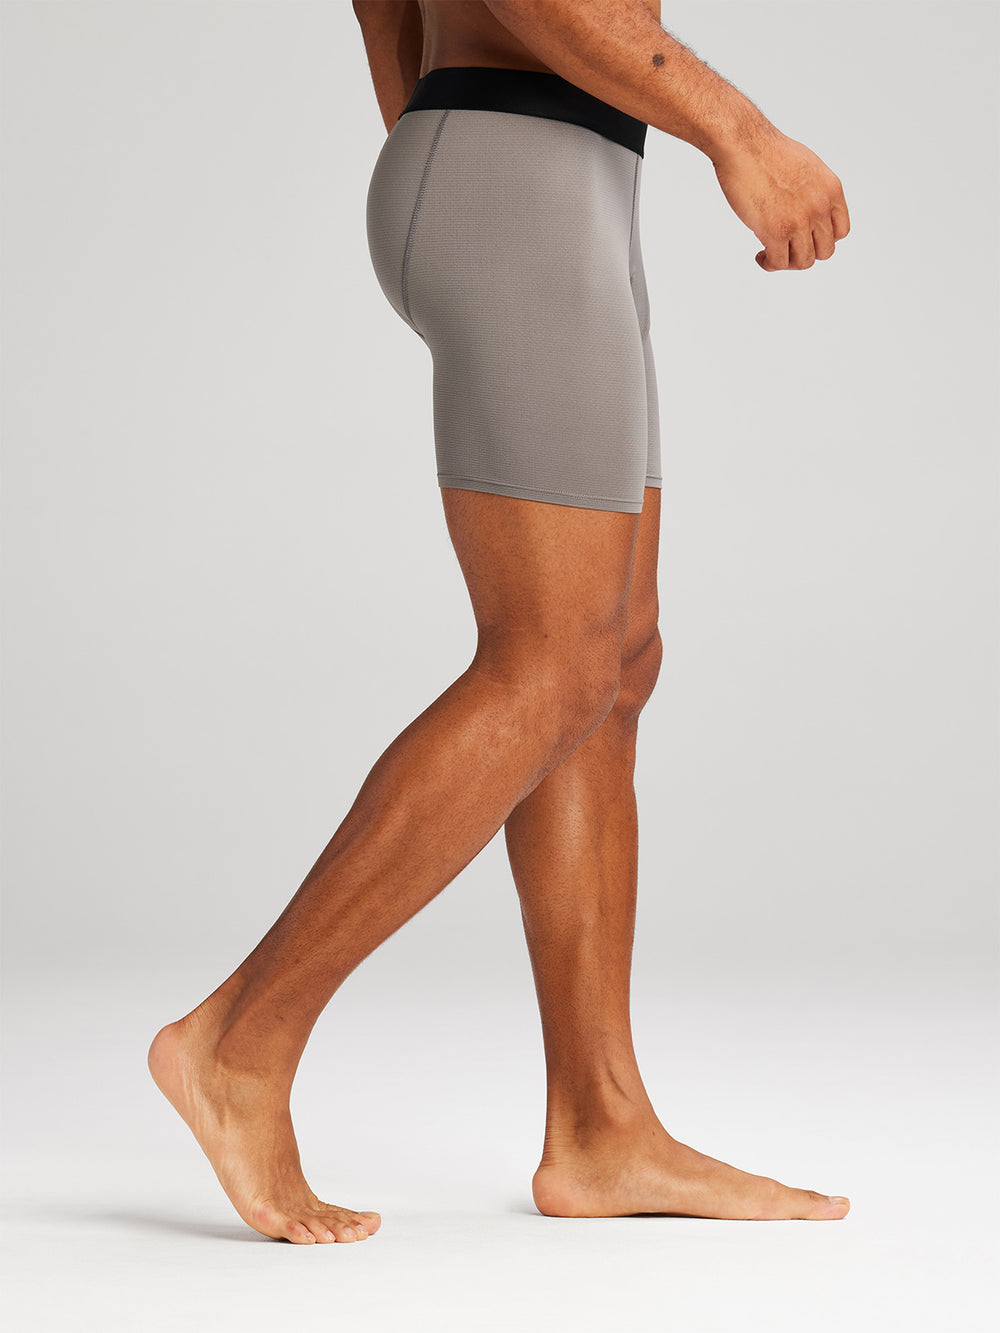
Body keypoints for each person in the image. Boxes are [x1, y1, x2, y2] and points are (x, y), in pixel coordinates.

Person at [148, 0, 852, 1245]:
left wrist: (437, 134)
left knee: (612, 659)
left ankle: (599, 1127)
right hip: (521, 172)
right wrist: (740, 132)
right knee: (551, 663)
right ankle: (236, 1043)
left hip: (546, 169)